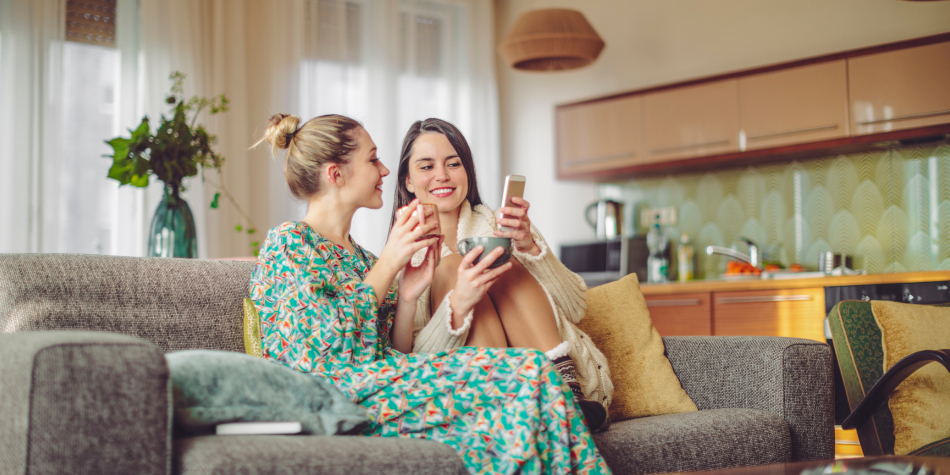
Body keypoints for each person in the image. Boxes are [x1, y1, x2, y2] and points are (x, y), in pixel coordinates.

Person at [248, 113, 611, 475]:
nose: (384, 169)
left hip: (384, 383)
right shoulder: (290, 243)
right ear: (336, 174)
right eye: (373, 159)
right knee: (525, 376)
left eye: (453, 163)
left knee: (532, 371)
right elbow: (322, 346)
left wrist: (406, 297)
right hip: (334, 397)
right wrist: (390, 266)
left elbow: (395, 352)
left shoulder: (363, 259)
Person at [389, 118, 612, 431]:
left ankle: (565, 397)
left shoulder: (504, 225)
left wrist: (530, 247)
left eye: (453, 163)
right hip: (474, 391)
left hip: (564, 385)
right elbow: (405, 363)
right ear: (408, 181)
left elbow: (576, 308)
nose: (442, 175)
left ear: (467, 171)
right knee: (456, 267)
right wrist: (459, 305)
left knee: (495, 257)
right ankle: (513, 399)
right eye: (426, 166)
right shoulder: (398, 257)